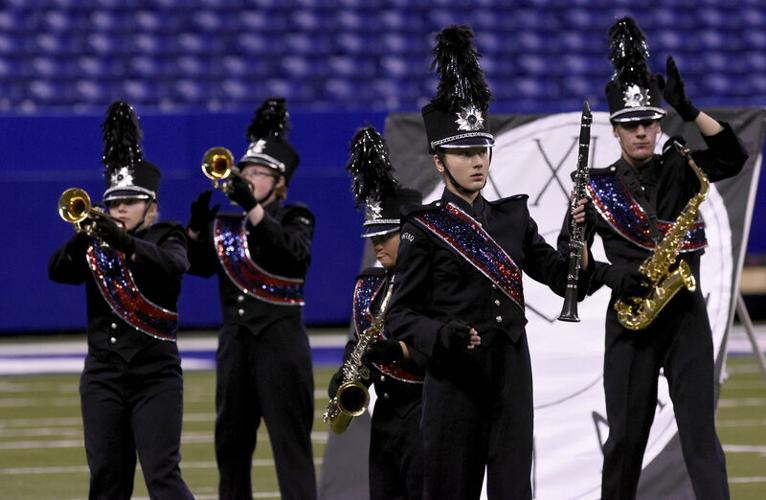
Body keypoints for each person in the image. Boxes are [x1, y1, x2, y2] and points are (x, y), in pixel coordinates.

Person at [384, 25, 592, 500]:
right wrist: (442, 335)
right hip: (454, 382)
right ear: (439, 161)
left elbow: (563, 278)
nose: (476, 161)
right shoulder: (422, 227)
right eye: (463, 153)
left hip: (511, 379)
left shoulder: (512, 216)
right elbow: (400, 316)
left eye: (481, 150)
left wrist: (579, 234)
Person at [574, 17, 749, 500]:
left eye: (648, 122)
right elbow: (572, 270)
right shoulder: (596, 187)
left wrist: (690, 111)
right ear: (615, 129)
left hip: (686, 317)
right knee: (626, 441)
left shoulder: (681, 163)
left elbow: (734, 157)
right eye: (630, 125)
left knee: (700, 439)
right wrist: (614, 276)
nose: (641, 133)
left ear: (658, 122)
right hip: (631, 325)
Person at [48, 101, 194, 500]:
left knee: (162, 476)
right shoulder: (94, 244)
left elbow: (172, 266)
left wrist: (124, 241)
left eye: (129, 202)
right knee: (107, 478)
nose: (120, 209)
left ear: (152, 206)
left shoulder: (168, 235)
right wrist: (85, 233)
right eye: (113, 203)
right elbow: (57, 270)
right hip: (103, 376)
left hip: (155, 376)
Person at [186, 97, 316, 500]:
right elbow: (195, 267)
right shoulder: (224, 226)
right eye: (247, 171)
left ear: (280, 184)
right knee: (231, 447)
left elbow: (291, 253)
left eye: (261, 173)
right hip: (235, 346)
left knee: (290, 448)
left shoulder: (296, 216)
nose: (250, 178)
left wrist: (251, 208)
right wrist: (193, 231)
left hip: (281, 346)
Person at [326, 127, 426, 500]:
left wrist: (395, 350)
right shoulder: (369, 285)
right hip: (385, 418)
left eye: (386, 236)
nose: (377, 245)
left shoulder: (434, 284)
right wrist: (347, 377)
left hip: (425, 413)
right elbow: (361, 341)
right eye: (373, 237)